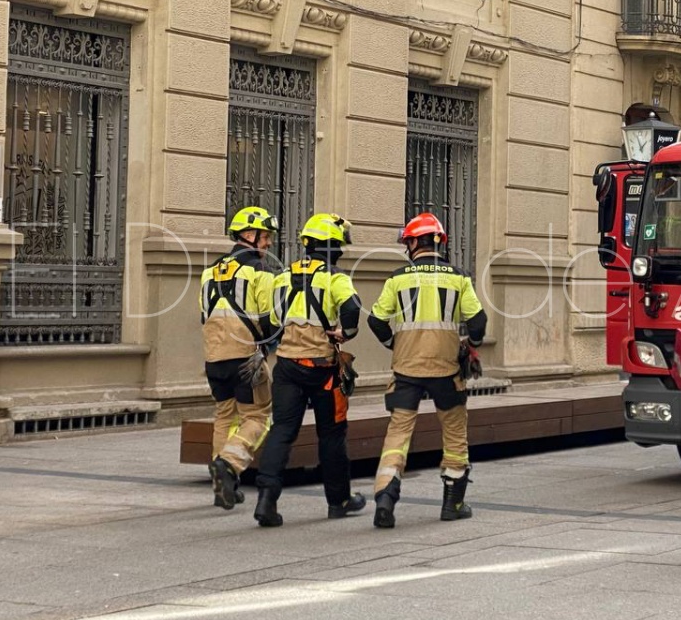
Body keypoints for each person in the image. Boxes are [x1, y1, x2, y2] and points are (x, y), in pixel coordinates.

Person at [368, 212, 488, 528]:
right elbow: (478, 321)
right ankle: (453, 503)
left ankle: (385, 498)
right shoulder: (458, 278)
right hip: (447, 371)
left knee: (398, 433)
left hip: (406, 370)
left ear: (414, 243)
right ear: (439, 243)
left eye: (407, 242)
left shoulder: (397, 278)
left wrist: (395, 344)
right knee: (454, 433)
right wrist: (471, 344)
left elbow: (376, 320)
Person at [253, 213, 366, 527]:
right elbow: (352, 308)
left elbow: (268, 323)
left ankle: (266, 499)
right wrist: (345, 333)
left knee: (282, 430)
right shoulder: (335, 278)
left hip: (287, 367)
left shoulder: (282, 276)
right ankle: (338, 501)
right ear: (331, 245)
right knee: (331, 434)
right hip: (323, 369)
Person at [199, 206, 278, 510]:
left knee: (224, 415)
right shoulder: (260, 271)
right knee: (257, 417)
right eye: (265, 236)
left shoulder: (209, 271)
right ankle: (229, 465)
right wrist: (269, 347)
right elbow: (269, 318)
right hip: (246, 357)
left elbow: (203, 315)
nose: (268, 243)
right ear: (248, 234)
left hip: (214, 357)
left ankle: (223, 486)